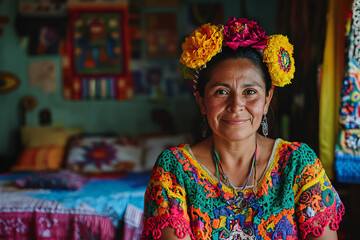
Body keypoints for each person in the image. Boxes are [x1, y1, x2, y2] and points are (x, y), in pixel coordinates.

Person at [141, 17, 345, 240]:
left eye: (250, 92)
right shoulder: (174, 169)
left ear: (267, 100)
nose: (236, 106)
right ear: (201, 101)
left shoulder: (298, 163)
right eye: (221, 91)